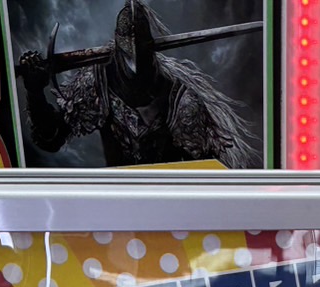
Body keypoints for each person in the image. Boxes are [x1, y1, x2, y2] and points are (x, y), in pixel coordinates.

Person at [19, 1, 259, 168]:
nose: (134, 55)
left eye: (140, 46)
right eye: (128, 43)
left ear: (150, 46)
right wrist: (35, 91)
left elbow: (205, 170)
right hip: (117, 198)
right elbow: (51, 138)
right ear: (117, 43)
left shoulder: (181, 101)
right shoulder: (97, 83)